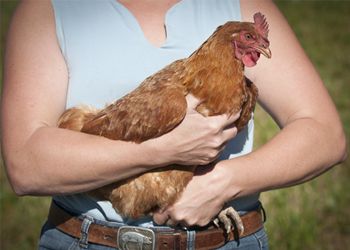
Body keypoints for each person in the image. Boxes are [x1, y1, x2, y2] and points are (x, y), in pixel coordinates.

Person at [1, 0, 346, 249]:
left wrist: (223, 182)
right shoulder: (48, 9)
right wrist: (165, 148)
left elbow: (325, 134)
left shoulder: (239, 7)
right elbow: (25, 165)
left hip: (223, 241)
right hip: (90, 239)